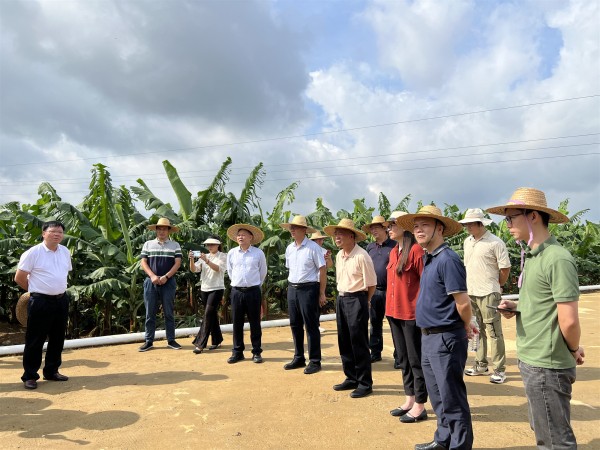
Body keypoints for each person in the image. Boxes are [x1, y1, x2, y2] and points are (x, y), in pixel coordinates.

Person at [487, 187, 584, 449]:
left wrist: (573, 349)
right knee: (544, 431)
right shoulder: (532, 256)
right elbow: (543, 304)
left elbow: (570, 321)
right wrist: (516, 307)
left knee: (554, 441)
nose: (507, 225)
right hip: (534, 360)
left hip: (547, 365)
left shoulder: (557, 258)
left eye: (511, 218)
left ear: (533, 216)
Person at [397, 205, 474, 450]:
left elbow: (462, 302)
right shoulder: (429, 258)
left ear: (439, 228)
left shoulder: (448, 259)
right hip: (429, 337)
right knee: (439, 397)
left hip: (445, 337)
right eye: (416, 226)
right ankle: (443, 440)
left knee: (452, 397)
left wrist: (466, 325)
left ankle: (459, 445)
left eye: (425, 226)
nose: (419, 230)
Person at [14, 220, 72, 390]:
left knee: (57, 338)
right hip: (40, 301)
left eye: (60, 232)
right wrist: (35, 291)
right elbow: (19, 277)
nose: (57, 234)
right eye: (53, 231)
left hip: (61, 300)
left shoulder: (65, 251)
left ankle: (52, 371)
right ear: (43, 233)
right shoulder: (33, 252)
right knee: (35, 339)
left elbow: (62, 273)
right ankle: (30, 376)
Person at [324, 218, 377, 398]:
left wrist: (364, 301)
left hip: (357, 299)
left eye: (341, 233)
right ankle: (351, 377)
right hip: (342, 298)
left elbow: (371, 284)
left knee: (358, 341)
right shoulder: (339, 255)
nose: (337, 237)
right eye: (335, 234)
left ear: (352, 236)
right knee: (344, 340)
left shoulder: (362, 256)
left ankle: (365, 383)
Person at [459, 208, 511, 384]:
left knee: (494, 331)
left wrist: (499, 286)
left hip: (489, 291)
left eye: (471, 224)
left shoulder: (495, 243)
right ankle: (480, 364)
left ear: (480, 224)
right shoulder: (468, 242)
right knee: (476, 329)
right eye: (466, 224)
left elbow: (505, 268)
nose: (468, 227)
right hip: (471, 292)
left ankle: (499, 369)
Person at [385, 212, 428, 423]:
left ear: (404, 226)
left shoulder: (417, 251)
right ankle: (409, 398)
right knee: (402, 359)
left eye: (392, 224)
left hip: (411, 315)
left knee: (415, 360)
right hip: (394, 312)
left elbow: (426, 284)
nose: (388, 228)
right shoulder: (394, 252)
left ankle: (420, 404)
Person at [280, 215, 326, 374]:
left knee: (311, 325)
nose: (292, 230)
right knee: (295, 324)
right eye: (291, 227)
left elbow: (322, 269)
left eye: (295, 227)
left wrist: (321, 292)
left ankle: (315, 361)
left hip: (309, 289)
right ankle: (299, 357)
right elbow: (290, 269)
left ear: (304, 230)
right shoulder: (289, 248)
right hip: (292, 288)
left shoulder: (313, 248)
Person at [139, 218, 182, 352]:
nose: (162, 231)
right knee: (150, 313)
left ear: (169, 231)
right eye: (159, 228)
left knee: (169, 312)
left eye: (164, 229)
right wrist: (152, 276)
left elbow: (177, 263)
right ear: (156, 230)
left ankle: (171, 340)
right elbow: (143, 262)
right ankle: (149, 341)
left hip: (168, 282)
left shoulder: (175, 245)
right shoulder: (148, 244)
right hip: (150, 282)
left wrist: (166, 276)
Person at [226, 223, 267, 364]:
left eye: (243, 234)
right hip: (237, 291)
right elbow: (230, 271)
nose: (240, 237)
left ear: (251, 237)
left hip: (253, 291)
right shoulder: (232, 253)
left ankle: (256, 352)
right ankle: (237, 352)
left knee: (255, 322)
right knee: (237, 323)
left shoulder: (258, 253)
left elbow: (263, 273)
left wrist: (253, 284)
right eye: (238, 235)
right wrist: (239, 283)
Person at [362, 215, 396, 363]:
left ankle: (399, 356)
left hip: (390, 291)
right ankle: (375, 352)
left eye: (376, 227)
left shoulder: (394, 245)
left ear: (385, 228)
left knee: (394, 324)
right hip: (374, 291)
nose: (373, 231)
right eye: (372, 228)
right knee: (375, 323)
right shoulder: (370, 247)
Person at [189, 236, 227, 354]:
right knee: (212, 315)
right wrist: (191, 260)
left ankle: (200, 343)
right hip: (204, 288)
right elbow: (194, 269)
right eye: (208, 245)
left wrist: (207, 261)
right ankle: (217, 340)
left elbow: (218, 269)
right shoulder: (204, 256)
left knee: (208, 313)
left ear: (218, 245)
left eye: (212, 244)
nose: (210, 246)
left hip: (217, 288)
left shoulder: (223, 256)